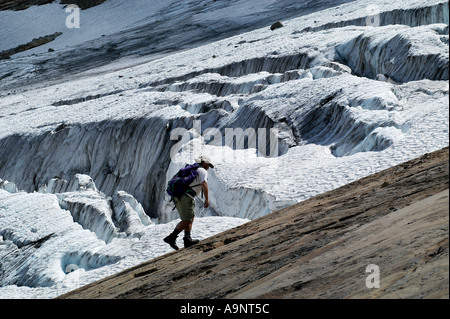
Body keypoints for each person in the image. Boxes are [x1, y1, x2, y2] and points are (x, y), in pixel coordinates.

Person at [163, 155, 214, 250]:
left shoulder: (193, 170)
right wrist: (207, 199)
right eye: (208, 164)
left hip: (181, 196)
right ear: (203, 163)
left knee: (190, 217)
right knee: (187, 219)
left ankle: (187, 239)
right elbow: (204, 184)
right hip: (186, 197)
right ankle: (171, 237)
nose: (208, 167)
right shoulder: (202, 171)